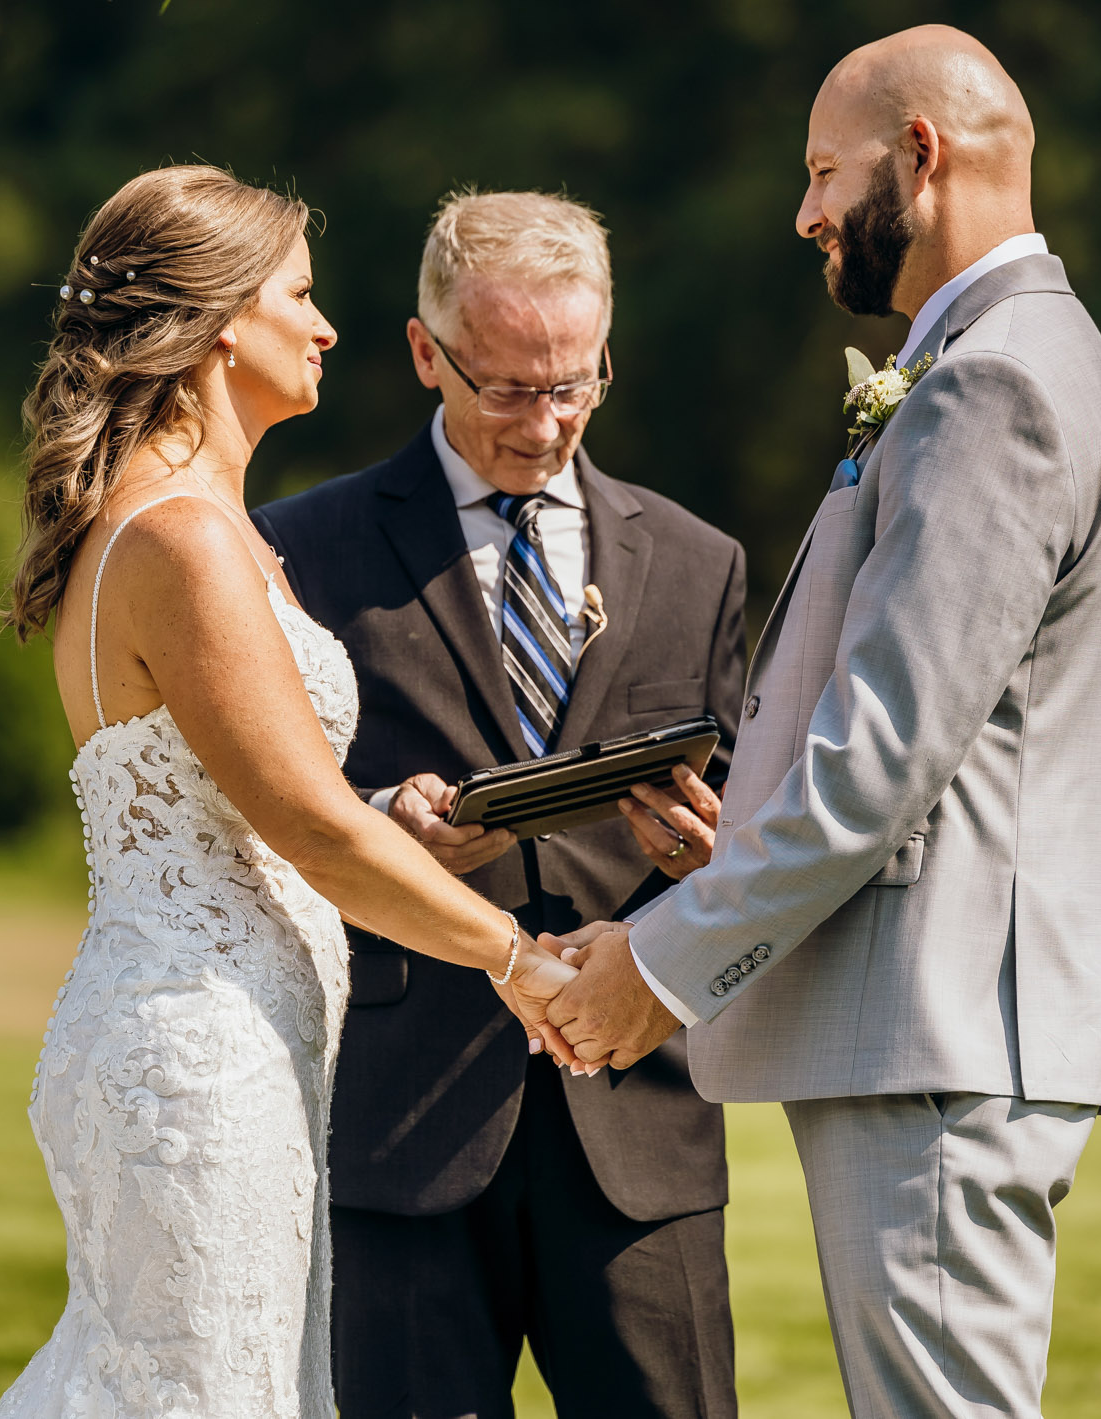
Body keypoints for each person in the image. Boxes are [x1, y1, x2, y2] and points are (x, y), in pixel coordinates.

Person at [546, 27, 1101, 1418]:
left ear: (921, 156)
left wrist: (658, 960)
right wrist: (735, 840)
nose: (806, 211)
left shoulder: (993, 385)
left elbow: (883, 758)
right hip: (934, 1040)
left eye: (826, 169)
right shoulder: (1006, 359)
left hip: (940, 1044)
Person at [0, 165, 585, 1419]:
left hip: (213, 1029)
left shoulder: (191, 525)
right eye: (299, 296)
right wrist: (517, 959)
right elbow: (307, 825)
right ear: (214, 326)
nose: (324, 326)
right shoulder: (184, 540)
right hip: (201, 1054)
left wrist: (395, 826)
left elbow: (268, 807)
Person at [254, 190, 748, 1419]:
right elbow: (267, 808)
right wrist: (385, 820)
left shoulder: (700, 561)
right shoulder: (300, 548)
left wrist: (706, 852)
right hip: (403, 1117)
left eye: (573, 384)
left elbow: (750, 820)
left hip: (641, 1124)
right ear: (425, 352)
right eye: (507, 388)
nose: (546, 422)